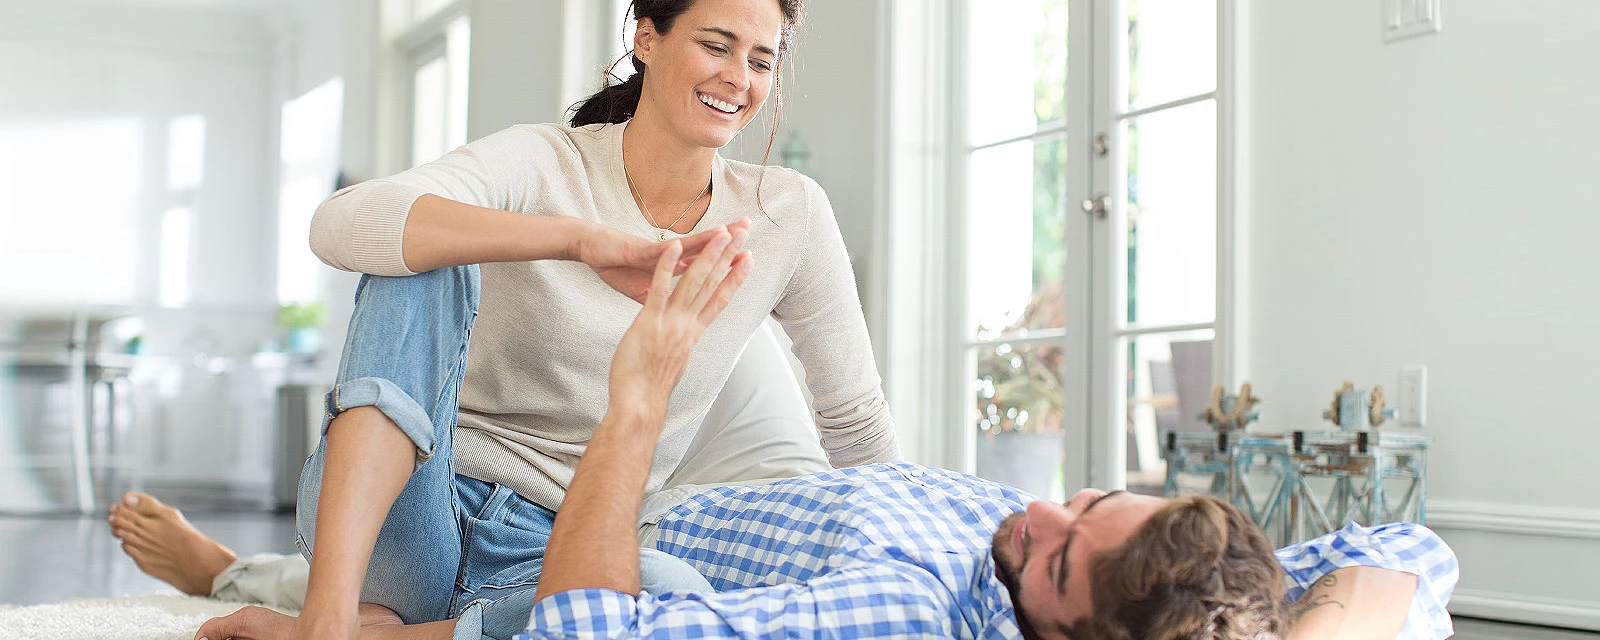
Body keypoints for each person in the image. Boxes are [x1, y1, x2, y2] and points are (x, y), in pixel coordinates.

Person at [113, 250, 1458, 640]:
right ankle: (321, 612)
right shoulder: (1196, 576)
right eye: (1081, 504)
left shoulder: (911, 609)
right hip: (506, 494)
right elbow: (1407, 546)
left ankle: (309, 611)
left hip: (510, 581)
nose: (1033, 523)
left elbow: (594, 633)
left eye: (1051, 570)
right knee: (422, 246)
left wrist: (639, 395)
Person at [267, 0, 902, 637]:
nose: (739, 76)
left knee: (674, 594)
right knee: (423, 249)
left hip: (555, 552)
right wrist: (574, 241)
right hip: (407, 507)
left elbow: (854, 421)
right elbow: (341, 223)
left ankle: (391, 633)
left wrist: (910, 561)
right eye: (716, 45)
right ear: (646, 38)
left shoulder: (787, 214)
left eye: (761, 61)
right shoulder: (546, 159)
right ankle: (328, 619)